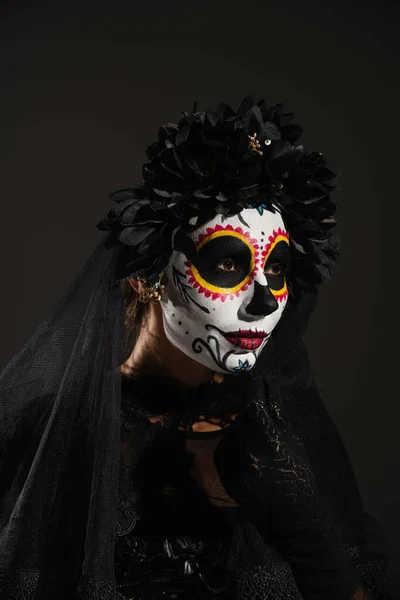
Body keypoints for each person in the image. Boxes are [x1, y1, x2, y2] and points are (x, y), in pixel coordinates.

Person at [0, 96, 392, 599]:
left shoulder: (279, 433)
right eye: (227, 264)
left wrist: (314, 544)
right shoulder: (45, 429)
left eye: (276, 268)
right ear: (146, 279)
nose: (263, 300)